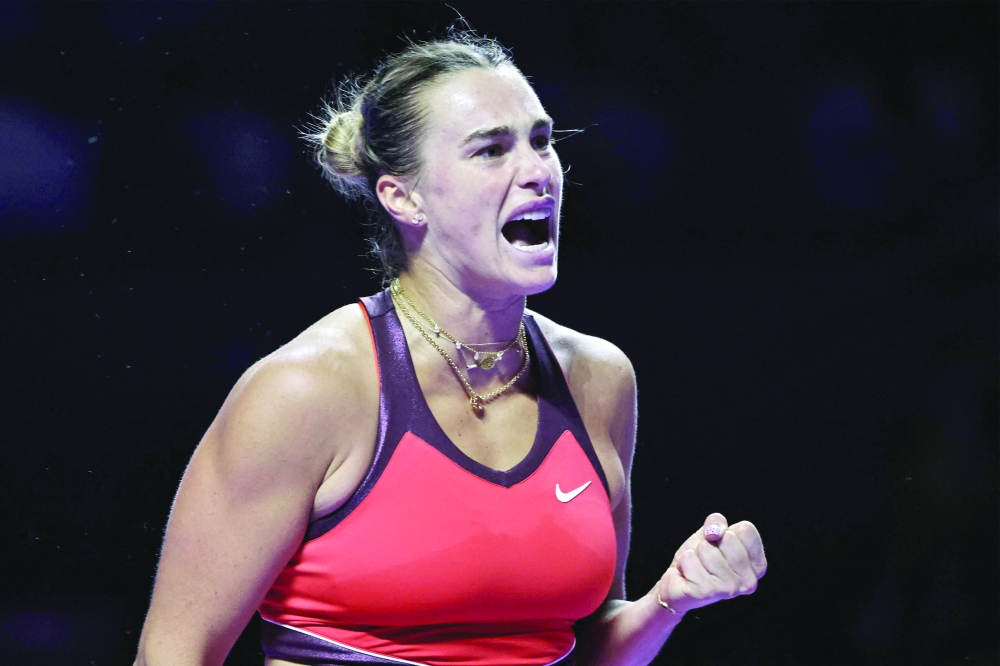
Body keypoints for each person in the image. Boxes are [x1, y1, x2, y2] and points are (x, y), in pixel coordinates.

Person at [134, 28, 766, 666]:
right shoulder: (307, 391)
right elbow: (175, 651)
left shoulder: (600, 379)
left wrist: (671, 599)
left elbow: (582, 643)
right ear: (403, 197)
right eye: (491, 151)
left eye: (541, 141)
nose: (538, 172)